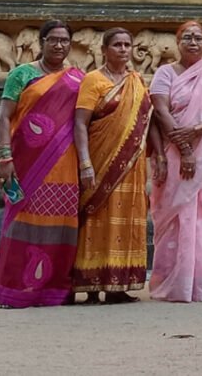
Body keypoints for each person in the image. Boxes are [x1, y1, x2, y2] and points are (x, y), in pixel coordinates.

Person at [0, 20, 85, 308]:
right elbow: (3, 117)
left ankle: (56, 291)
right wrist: (4, 157)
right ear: (41, 42)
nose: (59, 45)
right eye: (53, 39)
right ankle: (14, 291)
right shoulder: (22, 74)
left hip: (65, 166)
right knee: (20, 224)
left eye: (64, 41)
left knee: (61, 225)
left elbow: (86, 121)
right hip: (25, 164)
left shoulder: (78, 78)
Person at [147, 21, 202, 302]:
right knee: (175, 215)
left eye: (198, 38)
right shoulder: (165, 72)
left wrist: (197, 131)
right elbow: (160, 111)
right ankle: (173, 281)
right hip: (174, 152)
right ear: (177, 42)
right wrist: (185, 149)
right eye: (187, 37)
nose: (193, 42)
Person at [72, 27, 151, 304]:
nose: (124, 49)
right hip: (99, 160)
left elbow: (146, 121)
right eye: (117, 44)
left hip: (131, 165)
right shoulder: (93, 80)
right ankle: (92, 286)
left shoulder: (137, 81)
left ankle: (118, 285)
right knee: (96, 217)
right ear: (104, 50)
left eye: (128, 44)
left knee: (126, 219)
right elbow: (80, 123)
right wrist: (85, 163)